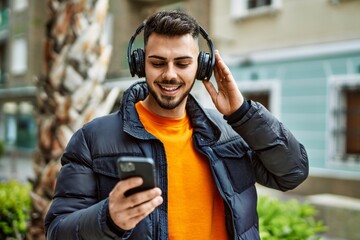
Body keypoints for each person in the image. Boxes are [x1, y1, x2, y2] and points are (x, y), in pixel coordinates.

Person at [45, 10, 309, 240]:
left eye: (182, 63)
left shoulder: (229, 132)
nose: (169, 74)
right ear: (139, 64)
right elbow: (58, 231)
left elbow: (292, 173)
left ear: (201, 67)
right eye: (157, 62)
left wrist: (242, 114)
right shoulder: (92, 139)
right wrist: (109, 219)